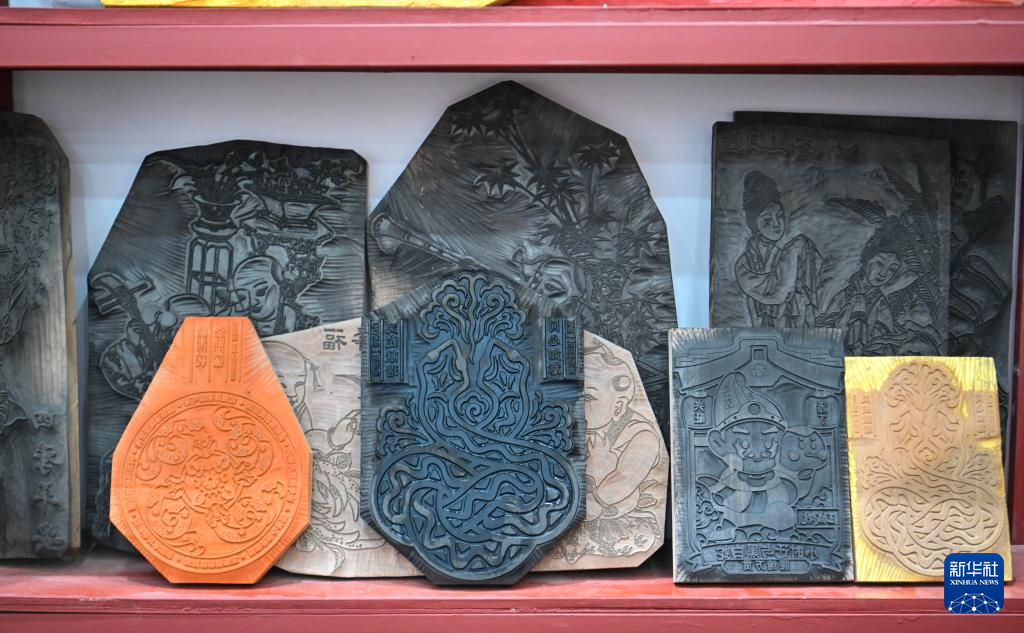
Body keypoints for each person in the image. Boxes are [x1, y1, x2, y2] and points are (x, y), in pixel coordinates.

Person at [579, 340, 663, 556]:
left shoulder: (641, 436)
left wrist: (601, 466)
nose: (577, 405)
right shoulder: (581, 428)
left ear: (618, 406)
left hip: (619, 526)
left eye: (587, 397)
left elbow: (619, 485)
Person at [818, 218, 942, 355]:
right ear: (866, 261)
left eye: (892, 269)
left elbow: (884, 344)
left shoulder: (881, 305)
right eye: (879, 263)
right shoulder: (842, 297)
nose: (883, 273)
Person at [733, 171, 822, 328]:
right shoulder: (745, 264)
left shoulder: (796, 248)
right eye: (767, 219)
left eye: (780, 216)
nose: (776, 224)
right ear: (754, 223)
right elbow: (776, 294)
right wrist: (791, 255)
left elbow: (819, 273)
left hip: (797, 331)